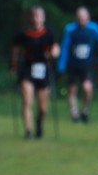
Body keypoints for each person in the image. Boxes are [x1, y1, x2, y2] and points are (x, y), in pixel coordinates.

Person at [10, 7, 60, 140]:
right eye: (34, 16)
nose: (36, 19)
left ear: (43, 18)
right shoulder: (24, 33)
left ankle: (39, 122)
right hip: (28, 69)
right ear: (30, 18)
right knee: (27, 101)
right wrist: (13, 64)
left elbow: (56, 48)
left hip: (43, 70)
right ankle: (28, 131)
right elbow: (15, 47)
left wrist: (52, 54)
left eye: (39, 16)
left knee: (43, 108)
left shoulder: (49, 32)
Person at [57, 6, 98, 123]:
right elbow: (65, 47)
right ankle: (74, 113)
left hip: (87, 64)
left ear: (88, 18)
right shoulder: (70, 29)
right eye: (79, 18)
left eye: (84, 18)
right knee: (72, 90)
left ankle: (85, 110)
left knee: (87, 88)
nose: (81, 21)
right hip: (73, 64)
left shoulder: (94, 29)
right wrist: (60, 66)